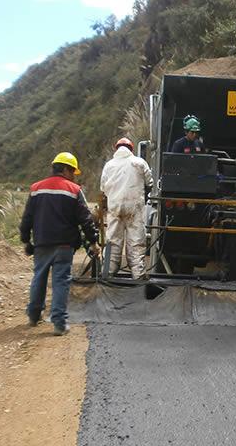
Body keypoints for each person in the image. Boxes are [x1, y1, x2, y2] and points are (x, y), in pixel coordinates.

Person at [19, 152, 98, 335]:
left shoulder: (36, 188)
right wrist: (93, 241)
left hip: (42, 243)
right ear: (65, 169)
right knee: (61, 281)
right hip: (64, 245)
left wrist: (26, 240)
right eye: (72, 172)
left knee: (39, 277)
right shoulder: (73, 190)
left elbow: (27, 217)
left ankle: (33, 314)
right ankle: (59, 323)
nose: (73, 176)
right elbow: (85, 219)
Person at [100, 137, 154, 280]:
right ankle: (138, 274)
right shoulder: (139, 162)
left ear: (116, 149)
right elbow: (150, 182)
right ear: (131, 149)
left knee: (113, 239)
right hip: (134, 207)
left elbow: (103, 188)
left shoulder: (109, 165)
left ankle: (109, 272)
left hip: (115, 207)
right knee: (136, 240)